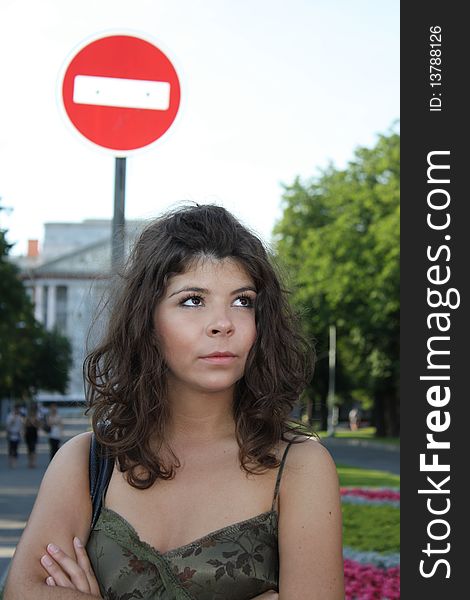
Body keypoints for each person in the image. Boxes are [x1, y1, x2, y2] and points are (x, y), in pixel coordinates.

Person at [4, 204, 344, 599]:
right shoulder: (87, 460)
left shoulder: (300, 467)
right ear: (147, 322)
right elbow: (24, 590)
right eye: (193, 300)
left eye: (243, 301)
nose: (223, 323)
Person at [24, 402, 41, 468]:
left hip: (34, 434)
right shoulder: (27, 417)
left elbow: (38, 426)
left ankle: (33, 462)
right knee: (29, 449)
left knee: (33, 448)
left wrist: (33, 423)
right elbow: (25, 425)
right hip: (28, 434)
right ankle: (30, 462)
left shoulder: (37, 417)